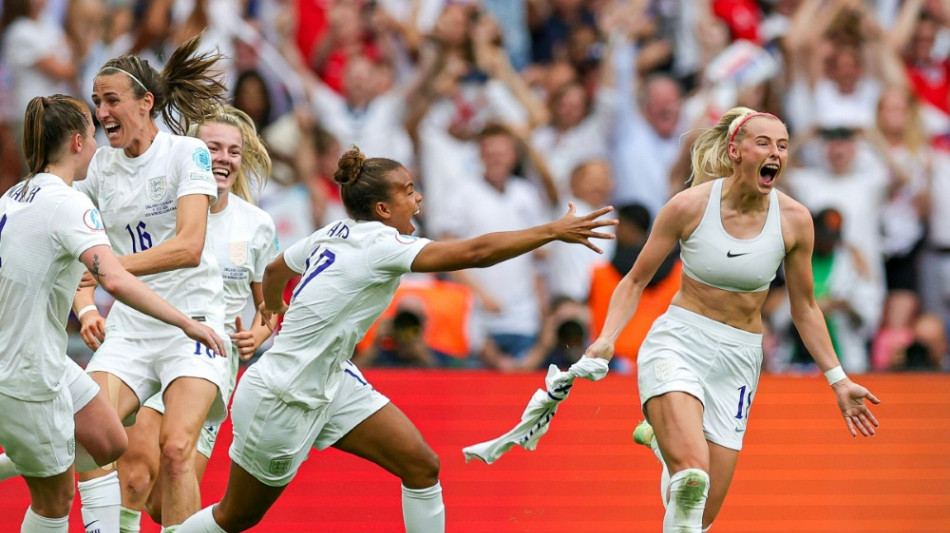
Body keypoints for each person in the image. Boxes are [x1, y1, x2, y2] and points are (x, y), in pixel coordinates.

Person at [176, 145, 616, 533]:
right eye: (408, 190)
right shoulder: (381, 246)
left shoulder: (333, 231)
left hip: (332, 381)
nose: (418, 196)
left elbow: (275, 272)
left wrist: (272, 310)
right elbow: (476, 253)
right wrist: (551, 230)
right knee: (236, 517)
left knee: (421, 465)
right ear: (383, 209)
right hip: (283, 395)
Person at [582, 107, 881, 532]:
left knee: (699, 515)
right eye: (763, 143)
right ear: (735, 151)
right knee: (692, 477)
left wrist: (839, 379)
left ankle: (661, 442)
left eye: (782, 145)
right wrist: (606, 338)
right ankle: (674, 447)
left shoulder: (795, 220)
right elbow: (633, 281)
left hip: (739, 360)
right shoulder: (688, 207)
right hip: (679, 342)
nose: (775, 152)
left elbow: (805, 308)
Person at [0, 94, 224, 533]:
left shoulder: (12, 196)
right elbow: (115, 280)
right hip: (26, 371)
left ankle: (20, 457)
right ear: (79, 142)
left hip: (38, 354)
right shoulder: (68, 204)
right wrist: (186, 322)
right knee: (55, 500)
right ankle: (32, 457)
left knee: (109, 441)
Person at [79, 106, 278, 531]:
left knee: (166, 483)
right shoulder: (158, 207)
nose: (223, 158)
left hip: (208, 354)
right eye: (213, 149)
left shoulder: (256, 225)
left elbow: (270, 307)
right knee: (131, 472)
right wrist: (89, 305)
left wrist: (257, 336)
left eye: (234, 151)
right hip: (149, 337)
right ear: (193, 156)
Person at [69, 35, 233, 532]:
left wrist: (111, 271)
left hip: (195, 325)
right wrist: (87, 308)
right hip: (131, 331)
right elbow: (79, 254)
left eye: (111, 99)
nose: (101, 112)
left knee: (177, 450)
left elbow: (189, 247)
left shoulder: (188, 153)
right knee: (87, 432)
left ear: (147, 102)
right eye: (97, 102)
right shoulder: (98, 165)